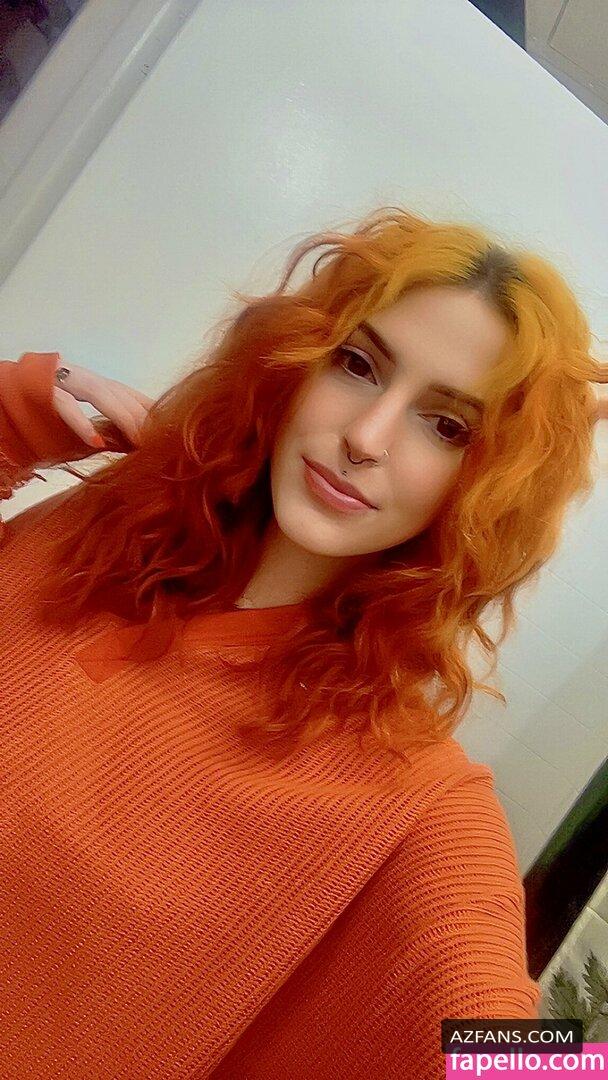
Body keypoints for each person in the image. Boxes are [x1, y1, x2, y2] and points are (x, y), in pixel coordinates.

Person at [1, 205, 607, 1079]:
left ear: (491, 483)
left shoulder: (410, 798)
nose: (365, 437)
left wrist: (581, 1060)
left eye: (446, 425)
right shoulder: (101, 525)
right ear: (296, 359)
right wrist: (13, 423)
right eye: (359, 366)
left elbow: (505, 1052)